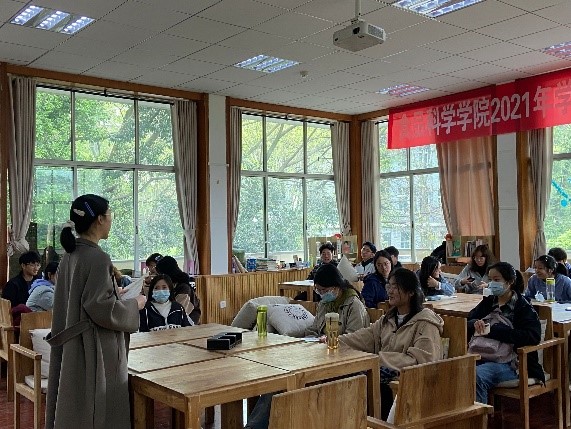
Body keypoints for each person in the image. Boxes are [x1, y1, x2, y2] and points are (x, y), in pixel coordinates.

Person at [45, 194, 146, 429]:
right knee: (98, 410)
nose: (111, 220)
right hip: (93, 348)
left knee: (75, 409)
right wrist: (135, 304)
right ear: (100, 219)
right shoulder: (98, 258)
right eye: (110, 215)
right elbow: (101, 309)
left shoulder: (70, 255)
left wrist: (114, 294)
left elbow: (84, 299)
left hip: (72, 344)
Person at [244, 264, 369, 429]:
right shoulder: (325, 303)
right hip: (320, 356)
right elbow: (314, 328)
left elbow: (356, 338)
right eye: (319, 290)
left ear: (336, 286)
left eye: (324, 290)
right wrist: (308, 339)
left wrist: (331, 340)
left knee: (291, 380)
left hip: (344, 361)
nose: (322, 294)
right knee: (280, 377)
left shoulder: (354, 305)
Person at [339, 267, 444, 419]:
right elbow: (364, 337)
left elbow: (423, 361)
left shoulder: (425, 322)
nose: (390, 291)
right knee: (346, 377)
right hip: (384, 375)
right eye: (389, 286)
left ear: (411, 292)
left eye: (396, 287)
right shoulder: (388, 319)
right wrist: (335, 341)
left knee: (362, 383)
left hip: (409, 384)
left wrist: (379, 360)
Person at [467, 262, 542, 404]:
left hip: (511, 363)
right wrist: (475, 323)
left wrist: (493, 330)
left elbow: (533, 336)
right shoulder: (489, 301)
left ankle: (480, 416)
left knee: (476, 376)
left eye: (496, 280)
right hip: (481, 355)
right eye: (490, 279)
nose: (491, 284)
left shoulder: (522, 307)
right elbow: (469, 320)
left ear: (510, 282)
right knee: (454, 371)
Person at [156, 255, 201, 324]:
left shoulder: (184, 288)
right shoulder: (170, 285)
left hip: (186, 323)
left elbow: (177, 312)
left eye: (160, 274)